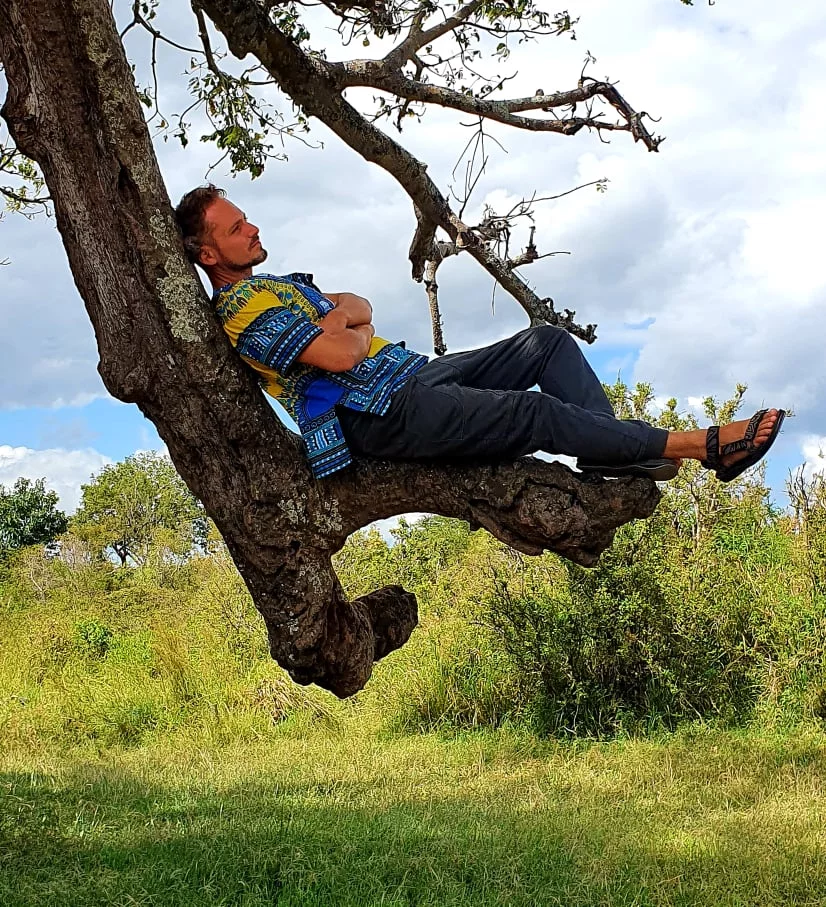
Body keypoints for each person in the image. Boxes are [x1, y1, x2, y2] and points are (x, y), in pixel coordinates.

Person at [174, 185, 785, 483]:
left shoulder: (276, 284)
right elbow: (342, 348)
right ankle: (700, 447)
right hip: (374, 410)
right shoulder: (241, 312)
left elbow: (359, 304)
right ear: (208, 254)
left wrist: (342, 318)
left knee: (544, 342)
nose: (251, 228)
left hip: (408, 374)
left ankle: (611, 453)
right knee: (530, 413)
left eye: (245, 217)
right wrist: (343, 325)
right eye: (234, 229)